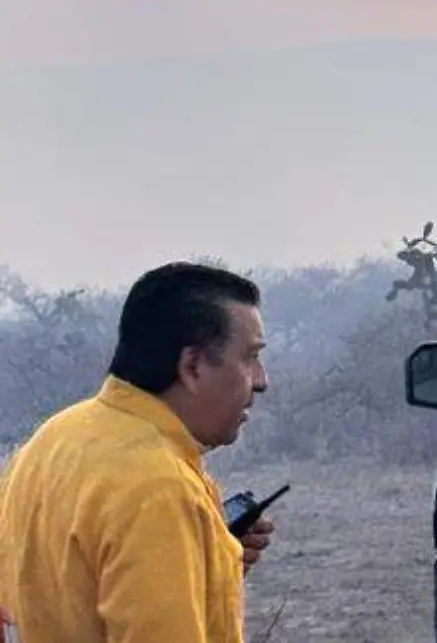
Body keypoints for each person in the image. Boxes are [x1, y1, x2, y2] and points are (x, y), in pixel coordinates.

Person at [0, 261, 273, 643]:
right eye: (250, 357)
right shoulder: (157, 487)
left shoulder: (52, 439)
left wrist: (210, 564)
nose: (261, 381)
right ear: (192, 365)